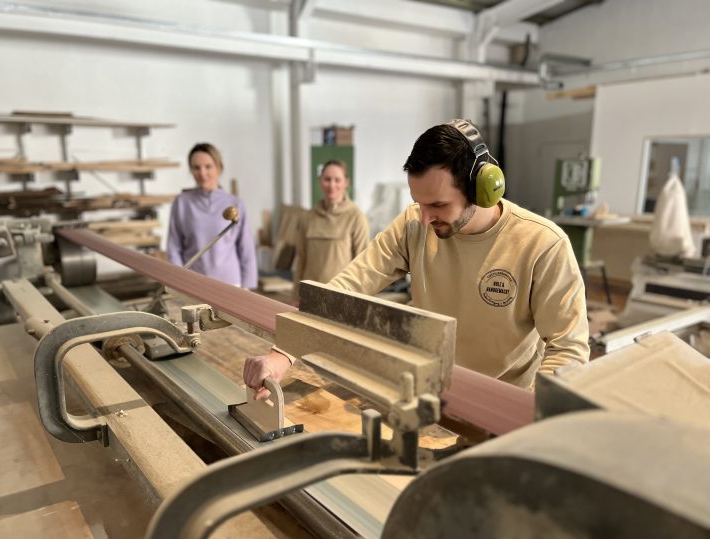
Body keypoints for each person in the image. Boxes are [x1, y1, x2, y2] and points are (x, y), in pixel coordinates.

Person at [244, 119, 589, 397]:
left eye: (438, 205)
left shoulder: (542, 245)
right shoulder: (414, 224)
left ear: (481, 190)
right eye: (419, 202)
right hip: (428, 393)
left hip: (502, 406)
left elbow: (567, 349)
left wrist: (527, 412)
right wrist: (282, 354)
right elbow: (345, 289)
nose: (424, 218)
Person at [167, 143, 258, 288]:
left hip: (231, 284)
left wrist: (247, 286)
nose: (202, 173)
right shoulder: (182, 203)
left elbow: (246, 249)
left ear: (219, 167)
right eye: (196, 168)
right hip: (193, 283)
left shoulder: (235, 203)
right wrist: (179, 281)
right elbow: (174, 247)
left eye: (208, 166)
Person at [293, 160, 369, 301]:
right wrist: (296, 295)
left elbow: (362, 266)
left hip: (341, 298)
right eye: (327, 179)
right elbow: (301, 259)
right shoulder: (307, 217)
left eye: (337, 180)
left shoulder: (356, 217)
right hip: (310, 296)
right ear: (320, 181)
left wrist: (360, 302)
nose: (332, 185)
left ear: (346, 183)